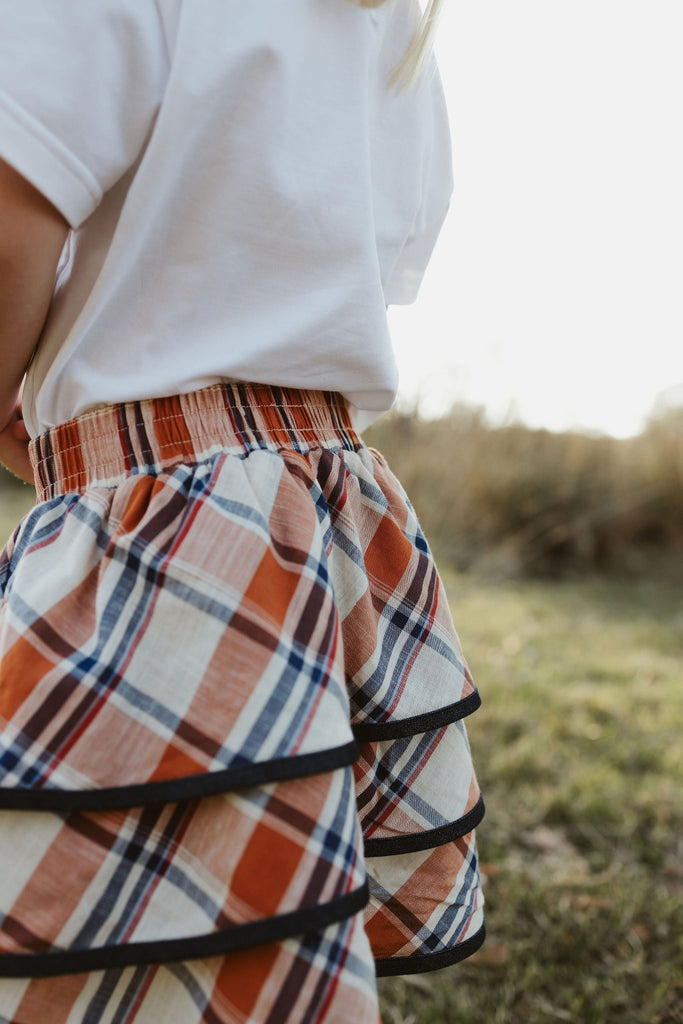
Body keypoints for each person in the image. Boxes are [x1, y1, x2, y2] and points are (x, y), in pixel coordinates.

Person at [0, 1, 485, 1021]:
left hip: (165, 520)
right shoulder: (392, 25)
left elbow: (13, 213)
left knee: (107, 919)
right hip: (321, 502)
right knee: (255, 943)